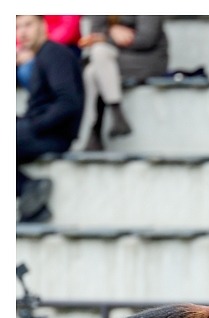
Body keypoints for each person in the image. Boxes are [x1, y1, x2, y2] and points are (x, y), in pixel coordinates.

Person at [16, 14, 84, 223]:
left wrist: (34, 125)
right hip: (41, 129)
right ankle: (35, 204)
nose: (23, 32)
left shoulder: (54, 54)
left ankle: (29, 188)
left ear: (43, 25)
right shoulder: (42, 57)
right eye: (18, 27)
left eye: (28, 25)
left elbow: (68, 102)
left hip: (53, 135)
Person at [78, 15, 169, 150]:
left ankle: (96, 131)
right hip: (112, 58)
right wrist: (113, 32)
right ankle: (115, 116)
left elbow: (146, 39)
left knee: (97, 59)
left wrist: (106, 37)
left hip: (147, 59)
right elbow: (95, 34)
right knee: (91, 70)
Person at [17, 15, 81, 89]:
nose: (22, 32)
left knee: (26, 70)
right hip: (36, 47)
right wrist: (21, 50)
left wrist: (40, 48)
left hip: (65, 46)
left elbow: (69, 29)